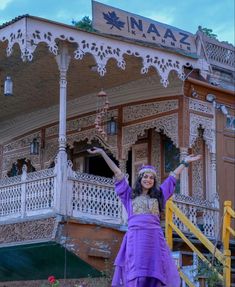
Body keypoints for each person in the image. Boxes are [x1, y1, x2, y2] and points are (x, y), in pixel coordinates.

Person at [87, 147, 202, 287]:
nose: (148, 180)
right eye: (145, 177)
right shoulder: (129, 195)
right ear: (140, 178)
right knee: (136, 273)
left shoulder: (159, 195)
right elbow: (117, 172)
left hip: (154, 239)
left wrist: (184, 162)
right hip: (136, 239)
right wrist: (102, 153)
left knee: (155, 273)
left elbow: (173, 177)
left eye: (151, 178)